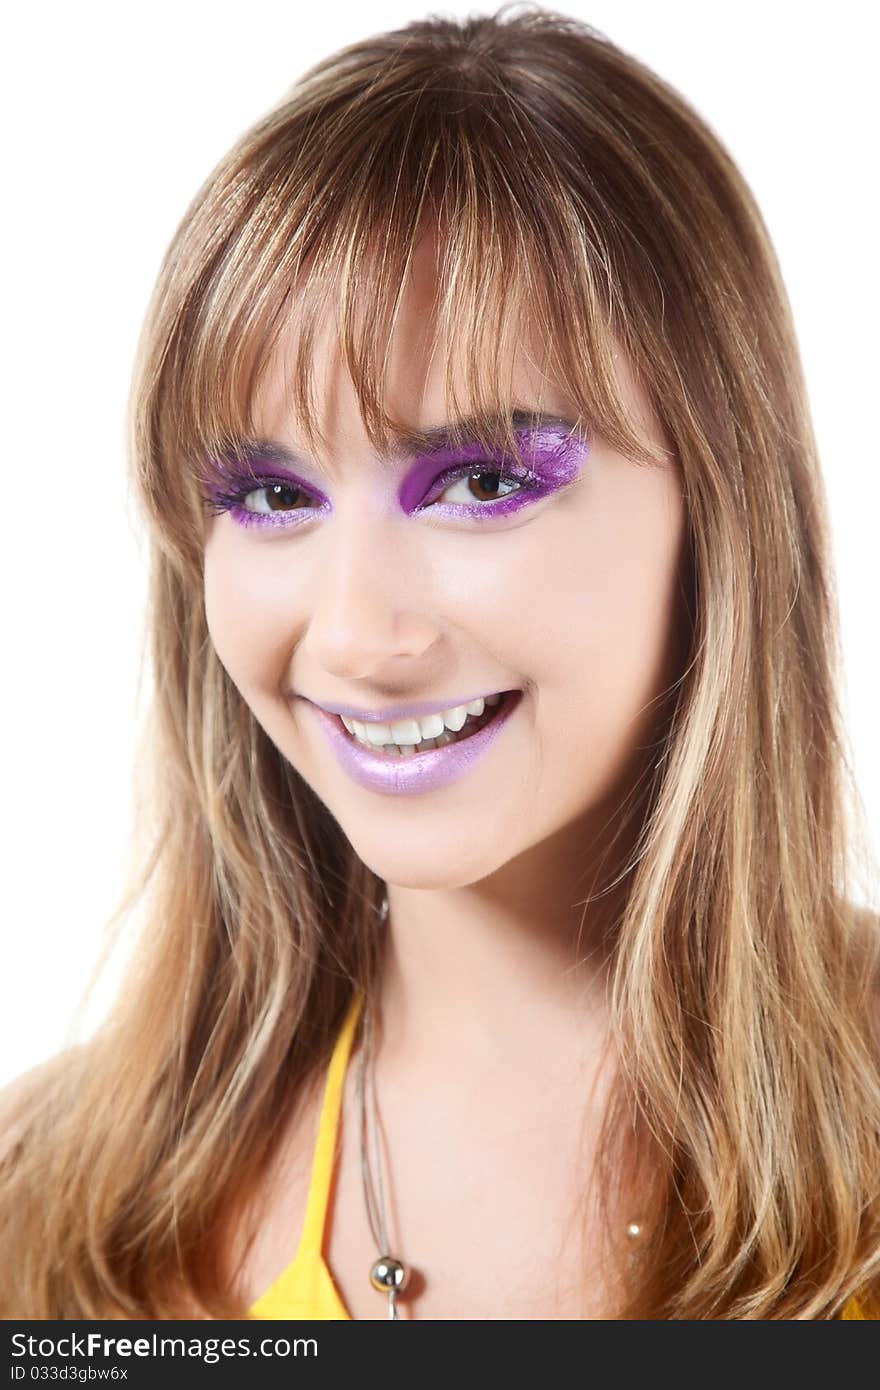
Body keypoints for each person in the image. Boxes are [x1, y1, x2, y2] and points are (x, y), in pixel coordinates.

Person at [1, 2, 878, 1321]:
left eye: (478, 477)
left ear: (719, 506)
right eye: (271, 494)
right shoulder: (57, 1199)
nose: (354, 631)